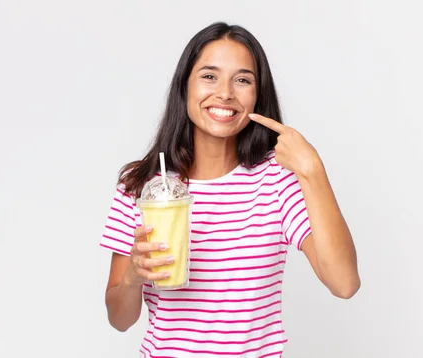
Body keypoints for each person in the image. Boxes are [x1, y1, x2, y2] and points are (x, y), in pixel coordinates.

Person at [101, 22, 360, 357]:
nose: (225, 93)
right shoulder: (141, 185)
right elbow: (119, 319)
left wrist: (312, 170)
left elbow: (344, 283)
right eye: (209, 76)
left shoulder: (277, 181)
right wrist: (134, 277)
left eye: (242, 80)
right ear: (185, 86)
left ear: (257, 95)